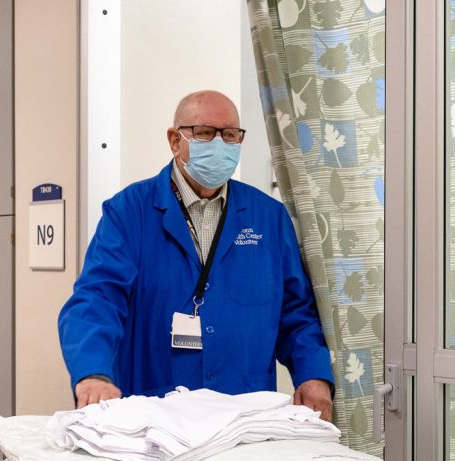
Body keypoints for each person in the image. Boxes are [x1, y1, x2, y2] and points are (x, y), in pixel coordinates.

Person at [58, 90, 334, 419]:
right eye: (205, 133)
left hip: (244, 408)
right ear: (175, 140)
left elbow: (297, 313)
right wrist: (93, 373)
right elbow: (97, 299)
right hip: (155, 409)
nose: (220, 144)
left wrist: (314, 374)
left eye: (230, 135)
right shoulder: (129, 211)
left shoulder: (268, 218)